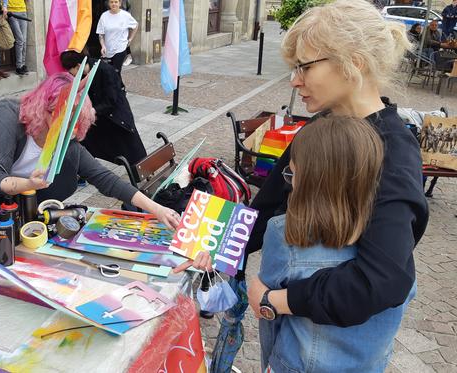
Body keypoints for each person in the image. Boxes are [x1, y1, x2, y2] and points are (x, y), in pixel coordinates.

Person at [176, 0, 429, 371]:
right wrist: (203, 243)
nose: (295, 80)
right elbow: (263, 212)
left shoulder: (392, 152)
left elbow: (383, 280)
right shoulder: (318, 129)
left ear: (353, 62)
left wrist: (276, 301)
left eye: (305, 67)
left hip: (334, 354)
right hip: (289, 346)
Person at [0, 73, 180, 254]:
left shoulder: (65, 138)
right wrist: (28, 183)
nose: (69, 133)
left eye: (75, 125)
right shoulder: (9, 115)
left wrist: (157, 209)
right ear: (45, 110)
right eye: (64, 121)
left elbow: (104, 178)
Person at [258, 116, 415, 373]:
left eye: (292, 173)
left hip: (297, 364)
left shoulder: (283, 232)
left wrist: (270, 363)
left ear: (308, 179)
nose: (291, 182)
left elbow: (269, 317)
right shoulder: (396, 248)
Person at [60, 50, 146, 166]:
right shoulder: (83, 74)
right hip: (97, 117)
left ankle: (144, 170)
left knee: (131, 149)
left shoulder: (105, 70)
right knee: (86, 142)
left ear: (78, 66)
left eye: (72, 72)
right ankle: (84, 171)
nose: (72, 75)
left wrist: (93, 110)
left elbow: (112, 100)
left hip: (115, 116)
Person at [96, 0, 138, 77]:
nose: (114, 4)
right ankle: (120, 87)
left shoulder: (125, 15)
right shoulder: (104, 16)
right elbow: (101, 34)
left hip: (120, 48)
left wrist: (130, 39)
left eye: (116, 2)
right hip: (108, 50)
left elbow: (135, 26)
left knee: (115, 71)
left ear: (120, 3)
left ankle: (117, 88)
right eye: (111, 2)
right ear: (108, 4)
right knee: (110, 72)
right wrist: (103, 46)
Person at [5, 0, 29, 75]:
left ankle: (23, 64)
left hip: (23, 11)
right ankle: (18, 66)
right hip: (11, 12)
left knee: (24, 40)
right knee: (20, 39)